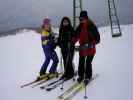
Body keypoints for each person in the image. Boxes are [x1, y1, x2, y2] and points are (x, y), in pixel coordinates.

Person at [72, 11, 100, 85]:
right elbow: (76, 36)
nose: (81, 20)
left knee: (88, 63)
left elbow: (98, 39)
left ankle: (88, 76)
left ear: (86, 18)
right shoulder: (79, 27)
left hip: (90, 48)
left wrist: (90, 44)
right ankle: (81, 75)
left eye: (83, 19)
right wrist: (72, 42)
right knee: (81, 62)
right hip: (82, 48)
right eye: (80, 19)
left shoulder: (92, 26)